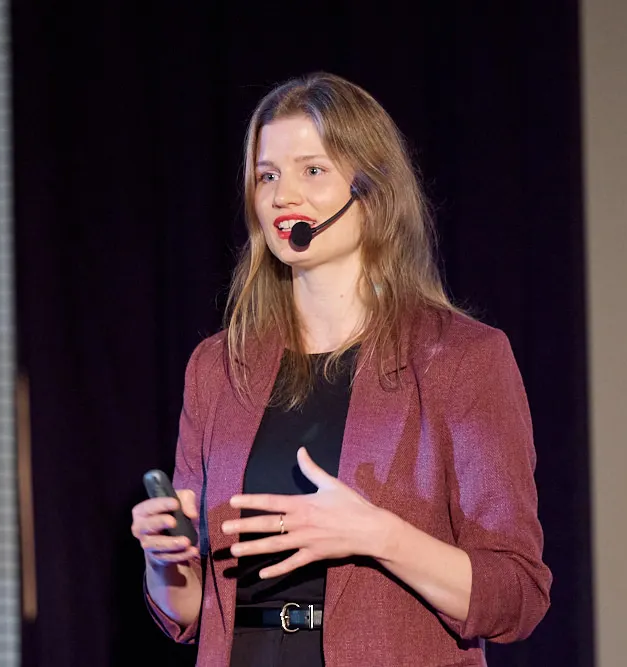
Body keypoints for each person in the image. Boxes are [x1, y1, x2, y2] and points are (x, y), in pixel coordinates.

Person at [130, 71, 551, 667]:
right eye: (267, 175)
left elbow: (517, 597)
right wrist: (163, 562)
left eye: (313, 171)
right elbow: (194, 611)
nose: (283, 196)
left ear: (372, 191)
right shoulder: (218, 368)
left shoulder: (461, 358)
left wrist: (376, 536)